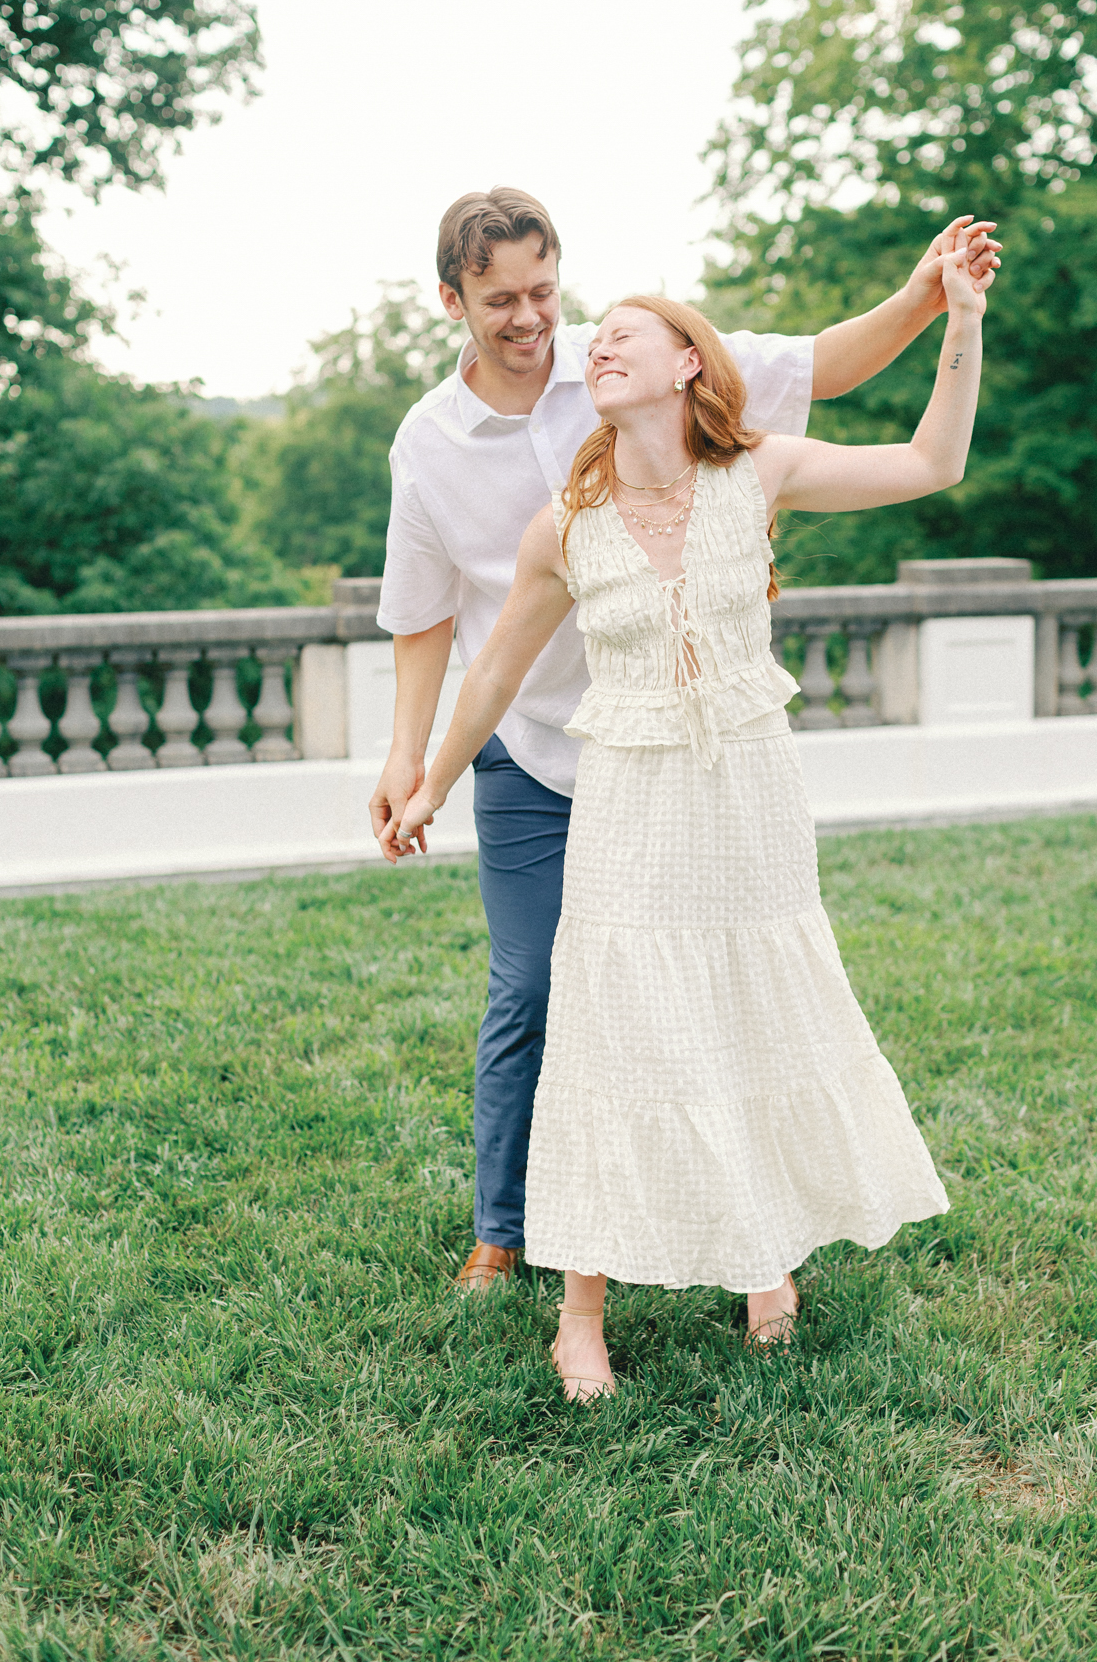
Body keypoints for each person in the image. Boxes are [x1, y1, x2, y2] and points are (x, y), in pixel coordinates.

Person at [371, 188, 1000, 1294]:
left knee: (708, 983)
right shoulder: (431, 446)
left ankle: (745, 1236)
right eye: (500, 300)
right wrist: (412, 768)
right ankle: (507, 1227)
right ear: (452, 301)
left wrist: (931, 301)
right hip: (531, 752)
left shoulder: (645, 366)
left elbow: (843, 372)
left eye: (542, 292)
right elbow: (442, 630)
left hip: (683, 769)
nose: (532, 319)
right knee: (532, 987)